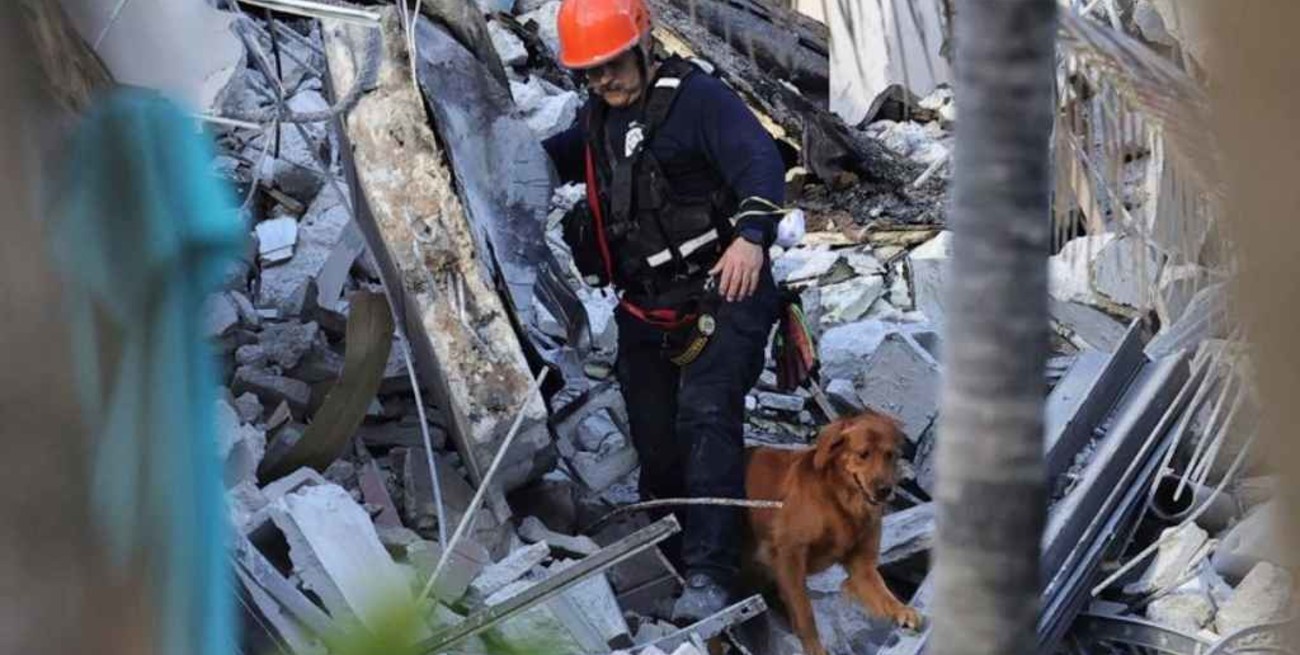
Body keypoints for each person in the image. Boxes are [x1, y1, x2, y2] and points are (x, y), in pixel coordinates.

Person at [543, 0, 787, 623]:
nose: (604, 81)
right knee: (655, 432)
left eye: (611, 66)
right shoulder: (598, 120)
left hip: (723, 288)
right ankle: (672, 550)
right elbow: (547, 158)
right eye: (590, 73)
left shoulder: (699, 101)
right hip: (647, 305)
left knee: (706, 413)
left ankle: (711, 572)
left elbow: (761, 160)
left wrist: (751, 236)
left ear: (642, 45)